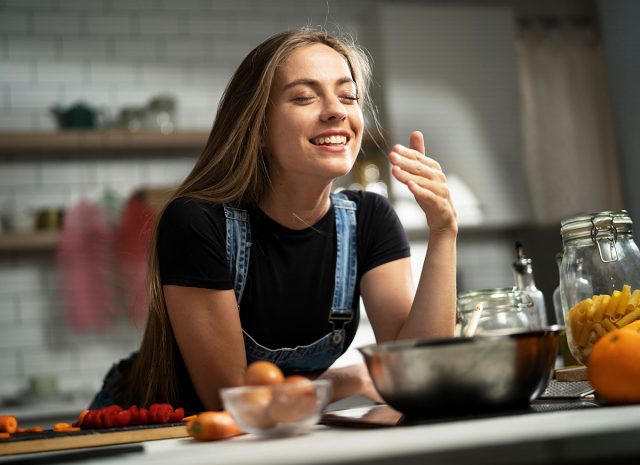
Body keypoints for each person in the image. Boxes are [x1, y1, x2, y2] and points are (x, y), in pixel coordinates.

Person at [91, 27, 458, 413]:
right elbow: (231, 402)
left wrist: (444, 230)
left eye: (348, 96)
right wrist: (351, 378)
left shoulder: (369, 220)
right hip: (151, 436)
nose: (336, 110)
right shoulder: (197, 223)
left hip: (273, 436)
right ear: (259, 128)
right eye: (303, 97)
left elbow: (419, 372)